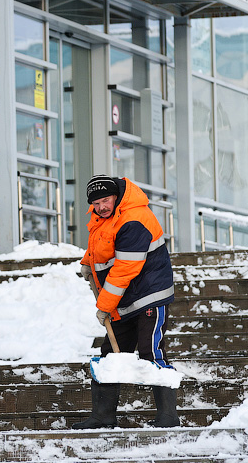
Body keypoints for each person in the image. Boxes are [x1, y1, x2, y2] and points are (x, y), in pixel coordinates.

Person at [73, 174, 179, 429]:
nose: (101, 208)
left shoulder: (133, 218)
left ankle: (168, 417)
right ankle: (103, 416)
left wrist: (104, 306)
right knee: (111, 355)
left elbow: (124, 269)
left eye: (105, 201)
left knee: (151, 352)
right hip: (125, 300)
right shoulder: (104, 216)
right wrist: (88, 264)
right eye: (96, 203)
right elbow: (101, 244)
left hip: (149, 296)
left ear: (116, 197)